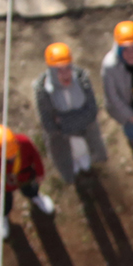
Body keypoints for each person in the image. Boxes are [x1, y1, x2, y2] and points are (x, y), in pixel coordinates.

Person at [33, 42, 108, 183]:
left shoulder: (82, 80)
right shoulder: (43, 92)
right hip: (63, 143)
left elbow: (91, 112)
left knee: (86, 160)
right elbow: (48, 124)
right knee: (69, 163)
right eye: (59, 70)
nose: (65, 74)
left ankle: (87, 167)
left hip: (84, 137)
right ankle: (72, 174)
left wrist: (63, 122)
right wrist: (78, 120)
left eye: (67, 68)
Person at [0, 124, 53, 241]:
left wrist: (40, 172)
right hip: (1, 186)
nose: (12, 156)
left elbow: (35, 156)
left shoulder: (24, 142)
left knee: (31, 190)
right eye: (8, 155)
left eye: (13, 152)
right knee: (4, 203)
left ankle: (36, 197)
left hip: (25, 177)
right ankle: (2, 215)